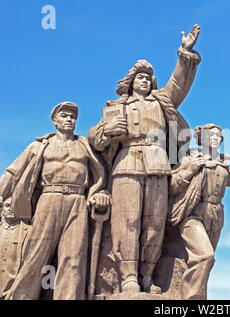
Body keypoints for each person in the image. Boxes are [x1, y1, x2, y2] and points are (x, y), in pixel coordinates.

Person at [88, 24, 201, 293]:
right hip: (126, 165)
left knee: (154, 222)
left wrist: (185, 53)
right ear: (130, 81)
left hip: (158, 164)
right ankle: (128, 276)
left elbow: (178, 83)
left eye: (148, 77)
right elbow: (95, 138)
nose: (144, 80)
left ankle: (148, 275)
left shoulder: (162, 101)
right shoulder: (117, 107)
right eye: (139, 77)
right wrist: (107, 131)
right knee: (126, 223)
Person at [0, 102, 110, 300]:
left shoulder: (84, 145)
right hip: (49, 198)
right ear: (54, 121)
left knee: (73, 259)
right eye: (65, 116)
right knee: (35, 255)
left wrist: (99, 193)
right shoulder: (40, 146)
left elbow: (101, 174)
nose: (69, 120)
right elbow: (13, 172)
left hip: (77, 201)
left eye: (72, 117)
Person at [169, 123, 230, 300]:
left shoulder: (221, 164)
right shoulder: (191, 159)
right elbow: (172, 186)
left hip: (216, 215)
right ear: (201, 139)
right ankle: (192, 298)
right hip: (193, 215)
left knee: (207, 262)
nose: (215, 138)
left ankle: (195, 295)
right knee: (205, 255)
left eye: (218, 136)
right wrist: (190, 170)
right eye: (211, 134)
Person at [0, 197, 31, 299]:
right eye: (7, 205)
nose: (10, 209)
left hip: (15, 290)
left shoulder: (29, 231)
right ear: (2, 209)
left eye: (14, 205)